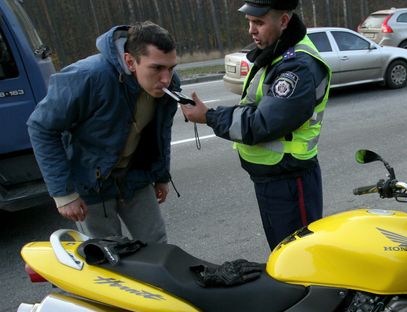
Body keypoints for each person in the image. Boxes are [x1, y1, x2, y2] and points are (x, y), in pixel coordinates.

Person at [182, 0, 332, 250]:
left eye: (259, 22)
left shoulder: (297, 66)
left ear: (283, 21)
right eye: (250, 22)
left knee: (300, 258)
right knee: (283, 253)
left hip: (290, 181)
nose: (252, 30)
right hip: (273, 178)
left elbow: (261, 123)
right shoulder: (276, 54)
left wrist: (209, 116)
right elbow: (253, 107)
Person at [28, 21, 181, 243]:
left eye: (171, 67)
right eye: (156, 68)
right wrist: (63, 194)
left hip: (135, 177)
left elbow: (161, 132)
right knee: (106, 257)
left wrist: (161, 175)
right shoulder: (88, 76)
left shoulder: (168, 85)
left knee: (157, 247)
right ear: (130, 61)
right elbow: (41, 127)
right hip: (91, 182)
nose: (166, 79)